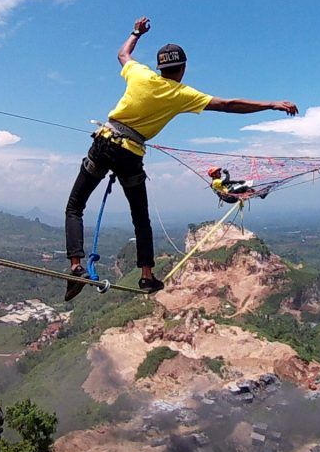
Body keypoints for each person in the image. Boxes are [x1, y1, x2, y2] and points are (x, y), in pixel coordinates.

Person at [63, 16, 299, 301]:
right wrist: (271, 104)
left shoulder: (139, 74)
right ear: (183, 68)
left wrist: (136, 33)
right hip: (131, 154)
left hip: (104, 142)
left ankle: (76, 266)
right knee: (141, 219)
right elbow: (227, 105)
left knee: (76, 206)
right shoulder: (181, 94)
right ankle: (147, 277)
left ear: (160, 67)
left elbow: (122, 54)